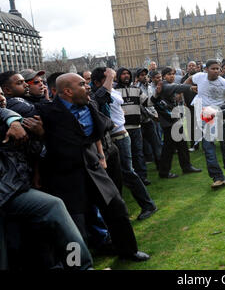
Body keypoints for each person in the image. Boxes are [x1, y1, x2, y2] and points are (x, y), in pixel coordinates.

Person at [36, 73, 151, 262]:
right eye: (82, 84)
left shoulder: (90, 105)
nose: (88, 86)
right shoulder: (46, 112)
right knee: (74, 227)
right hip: (67, 176)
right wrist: (21, 125)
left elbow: (97, 131)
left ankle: (128, 251)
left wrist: (101, 155)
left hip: (94, 168)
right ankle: (76, 265)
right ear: (67, 91)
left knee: (117, 209)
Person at [0, 93, 93, 270]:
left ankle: (79, 266)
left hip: (15, 190)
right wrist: (12, 119)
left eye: (1, 94)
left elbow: (34, 151)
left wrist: (39, 133)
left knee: (52, 210)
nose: (1, 98)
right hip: (9, 192)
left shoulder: (11, 123)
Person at [91, 67, 158, 221]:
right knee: (117, 176)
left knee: (127, 172)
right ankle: (120, 212)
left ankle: (148, 205)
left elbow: (103, 97)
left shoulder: (109, 93)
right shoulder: (110, 92)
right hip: (114, 137)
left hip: (119, 137)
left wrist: (108, 78)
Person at [185, 60, 225, 189]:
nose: (216, 71)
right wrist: (187, 88)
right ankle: (217, 177)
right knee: (208, 147)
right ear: (206, 69)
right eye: (213, 68)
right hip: (206, 115)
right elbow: (190, 79)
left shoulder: (224, 83)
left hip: (220, 113)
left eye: (218, 69)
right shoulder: (200, 77)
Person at [152, 67, 202, 179]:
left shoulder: (168, 85)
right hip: (168, 122)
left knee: (182, 145)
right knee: (168, 149)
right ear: (164, 76)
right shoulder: (164, 85)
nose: (172, 76)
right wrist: (191, 87)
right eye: (169, 74)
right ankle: (164, 172)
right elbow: (177, 87)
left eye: (173, 74)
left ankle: (186, 167)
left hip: (174, 120)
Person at [114, 67, 151, 186]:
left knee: (138, 153)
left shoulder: (136, 89)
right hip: (122, 130)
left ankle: (142, 177)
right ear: (119, 76)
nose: (126, 76)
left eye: (128, 74)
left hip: (136, 126)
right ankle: (127, 179)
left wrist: (158, 94)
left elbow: (148, 102)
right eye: (123, 74)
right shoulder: (113, 91)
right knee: (125, 156)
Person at [134, 68, 162, 169]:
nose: (144, 77)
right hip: (142, 120)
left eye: (145, 75)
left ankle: (160, 165)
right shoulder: (136, 88)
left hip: (151, 118)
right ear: (137, 77)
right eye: (141, 75)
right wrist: (152, 115)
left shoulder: (150, 87)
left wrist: (155, 114)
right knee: (141, 145)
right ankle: (146, 163)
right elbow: (142, 106)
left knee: (156, 142)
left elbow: (151, 103)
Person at [181, 61, 200, 151]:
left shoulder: (200, 77)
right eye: (189, 66)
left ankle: (206, 144)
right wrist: (183, 102)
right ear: (187, 68)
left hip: (200, 104)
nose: (191, 67)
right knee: (191, 125)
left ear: (196, 67)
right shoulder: (183, 79)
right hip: (189, 104)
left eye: (193, 66)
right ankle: (193, 145)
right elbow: (181, 91)